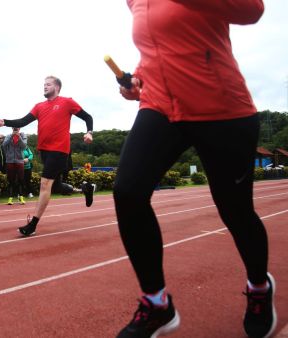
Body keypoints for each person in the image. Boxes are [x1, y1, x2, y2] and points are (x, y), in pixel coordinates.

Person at [113, 2, 273, 338]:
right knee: (128, 191)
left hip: (221, 107)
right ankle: (157, 303)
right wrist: (137, 78)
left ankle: (259, 287)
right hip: (160, 106)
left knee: (235, 210)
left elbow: (252, 11)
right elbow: (156, 47)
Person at [0, 75, 94, 236]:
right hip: (45, 150)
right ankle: (84, 189)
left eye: (48, 84)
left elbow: (87, 117)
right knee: (55, 186)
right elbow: (22, 121)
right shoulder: (39, 106)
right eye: (44, 85)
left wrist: (89, 132)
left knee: (44, 185)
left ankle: (32, 224)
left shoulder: (67, 102)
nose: (45, 87)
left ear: (57, 87)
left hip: (60, 150)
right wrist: (5, 121)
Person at [2, 128, 27, 205]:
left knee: (21, 179)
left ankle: (21, 197)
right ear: (12, 129)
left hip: (19, 161)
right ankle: (10, 197)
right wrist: (11, 137)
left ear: (19, 129)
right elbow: (3, 145)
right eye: (14, 128)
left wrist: (18, 137)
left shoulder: (23, 135)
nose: (16, 130)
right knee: (11, 180)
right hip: (10, 161)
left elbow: (24, 146)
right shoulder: (8, 136)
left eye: (17, 128)